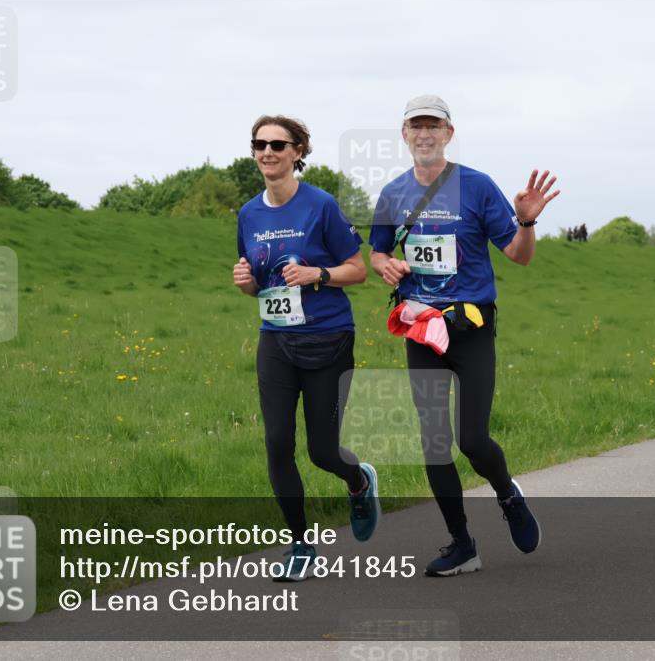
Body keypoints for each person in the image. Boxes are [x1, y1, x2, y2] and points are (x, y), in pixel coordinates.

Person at [369, 95, 560, 577]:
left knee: (472, 440)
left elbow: (519, 255)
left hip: (471, 327)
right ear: (405, 135)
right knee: (434, 443)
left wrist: (527, 220)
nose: (425, 134)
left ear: (449, 134)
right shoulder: (392, 193)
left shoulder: (476, 186)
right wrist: (386, 264)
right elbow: (375, 253)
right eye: (417, 126)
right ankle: (461, 544)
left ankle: (508, 496)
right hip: (421, 328)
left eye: (434, 126)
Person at [234, 115, 380, 581]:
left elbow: (357, 269)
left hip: (329, 338)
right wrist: (245, 283)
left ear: (299, 151)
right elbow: (259, 283)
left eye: (278, 144)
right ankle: (299, 543)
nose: (267, 152)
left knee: (322, 452)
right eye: (260, 144)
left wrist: (318, 274)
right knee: (277, 443)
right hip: (276, 340)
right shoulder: (249, 214)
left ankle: (359, 481)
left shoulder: (321, 206)